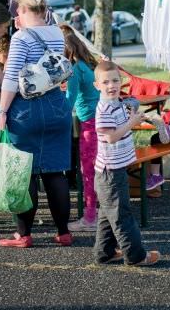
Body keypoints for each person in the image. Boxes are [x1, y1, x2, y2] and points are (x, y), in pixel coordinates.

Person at [0, 0, 73, 248]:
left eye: (18, 8)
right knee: (55, 173)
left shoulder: (20, 39)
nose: (16, 12)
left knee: (24, 172)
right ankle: (63, 231)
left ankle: (24, 234)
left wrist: (3, 111)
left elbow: (10, 78)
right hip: (56, 106)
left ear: (26, 10)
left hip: (26, 110)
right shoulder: (56, 33)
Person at [93, 60, 160, 266]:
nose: (111, 86)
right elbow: (111, 137)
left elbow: (130, 108)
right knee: (122, 215)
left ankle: (104, 253)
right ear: (97, 86)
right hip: (109, 173)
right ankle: (136, 256)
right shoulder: (104, 109)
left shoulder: (117, 104)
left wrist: (131, 115)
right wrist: (132, 123)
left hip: (115, 169)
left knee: (107, 214)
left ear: (121, 81)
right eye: (106, 82)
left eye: (115, 80)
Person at [59, 25, 100, 232]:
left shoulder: (74, 70)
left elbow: (68, 103)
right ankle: (97, 212)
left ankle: (90, 217)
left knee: (88, 171)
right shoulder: (87, 65)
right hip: (97, 120)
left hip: (89, 124)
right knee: (97, 169)